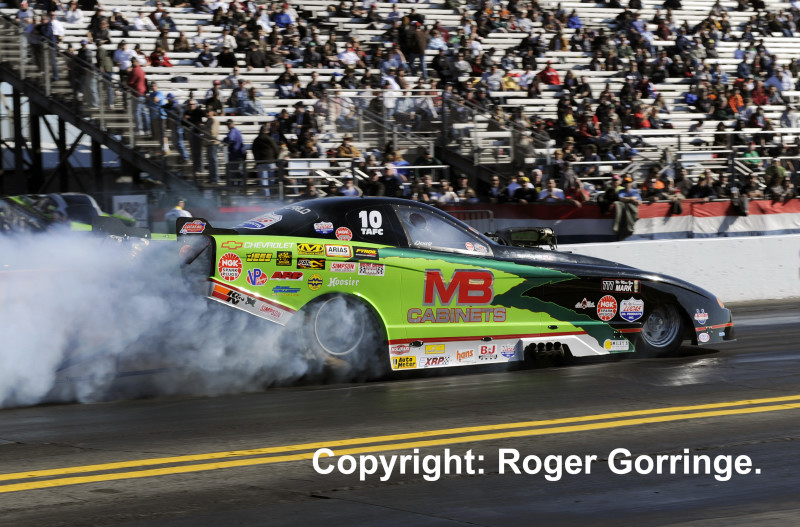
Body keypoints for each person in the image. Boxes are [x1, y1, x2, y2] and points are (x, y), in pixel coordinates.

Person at [252, 123, 279, 196]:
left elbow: (254, 151)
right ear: (266, 131)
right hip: (270, 162)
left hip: (261, 163)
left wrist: (257, 161)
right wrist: (275, 160)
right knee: (271, 181)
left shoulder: (256, 140)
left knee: (263, 182)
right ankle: (271, 196)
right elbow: (276, 149)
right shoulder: (270, 139)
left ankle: (266, 197)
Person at [222, 119, 247, 185]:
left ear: (232, 124)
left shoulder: (233, 131)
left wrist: (224, 140)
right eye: (227, 124)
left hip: (236, 154)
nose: (228, 126)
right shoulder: (236, 131)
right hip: (238, 154)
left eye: (229, 124)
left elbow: (230, 139)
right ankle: (240, 184)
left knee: (235, 170)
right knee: (236, 170)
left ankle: (239, 185)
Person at [202, 108, 220, 184]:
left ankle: (215, 179)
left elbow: (213, 133)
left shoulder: (214, 121)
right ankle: (212, 178)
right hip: (208, 144)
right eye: (207, 112)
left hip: (213, 144)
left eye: (209, 112)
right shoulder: (208, 121)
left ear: (213, 112)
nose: (207, 113)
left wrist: (204, 128)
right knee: (210, 162)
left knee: (213, 161)